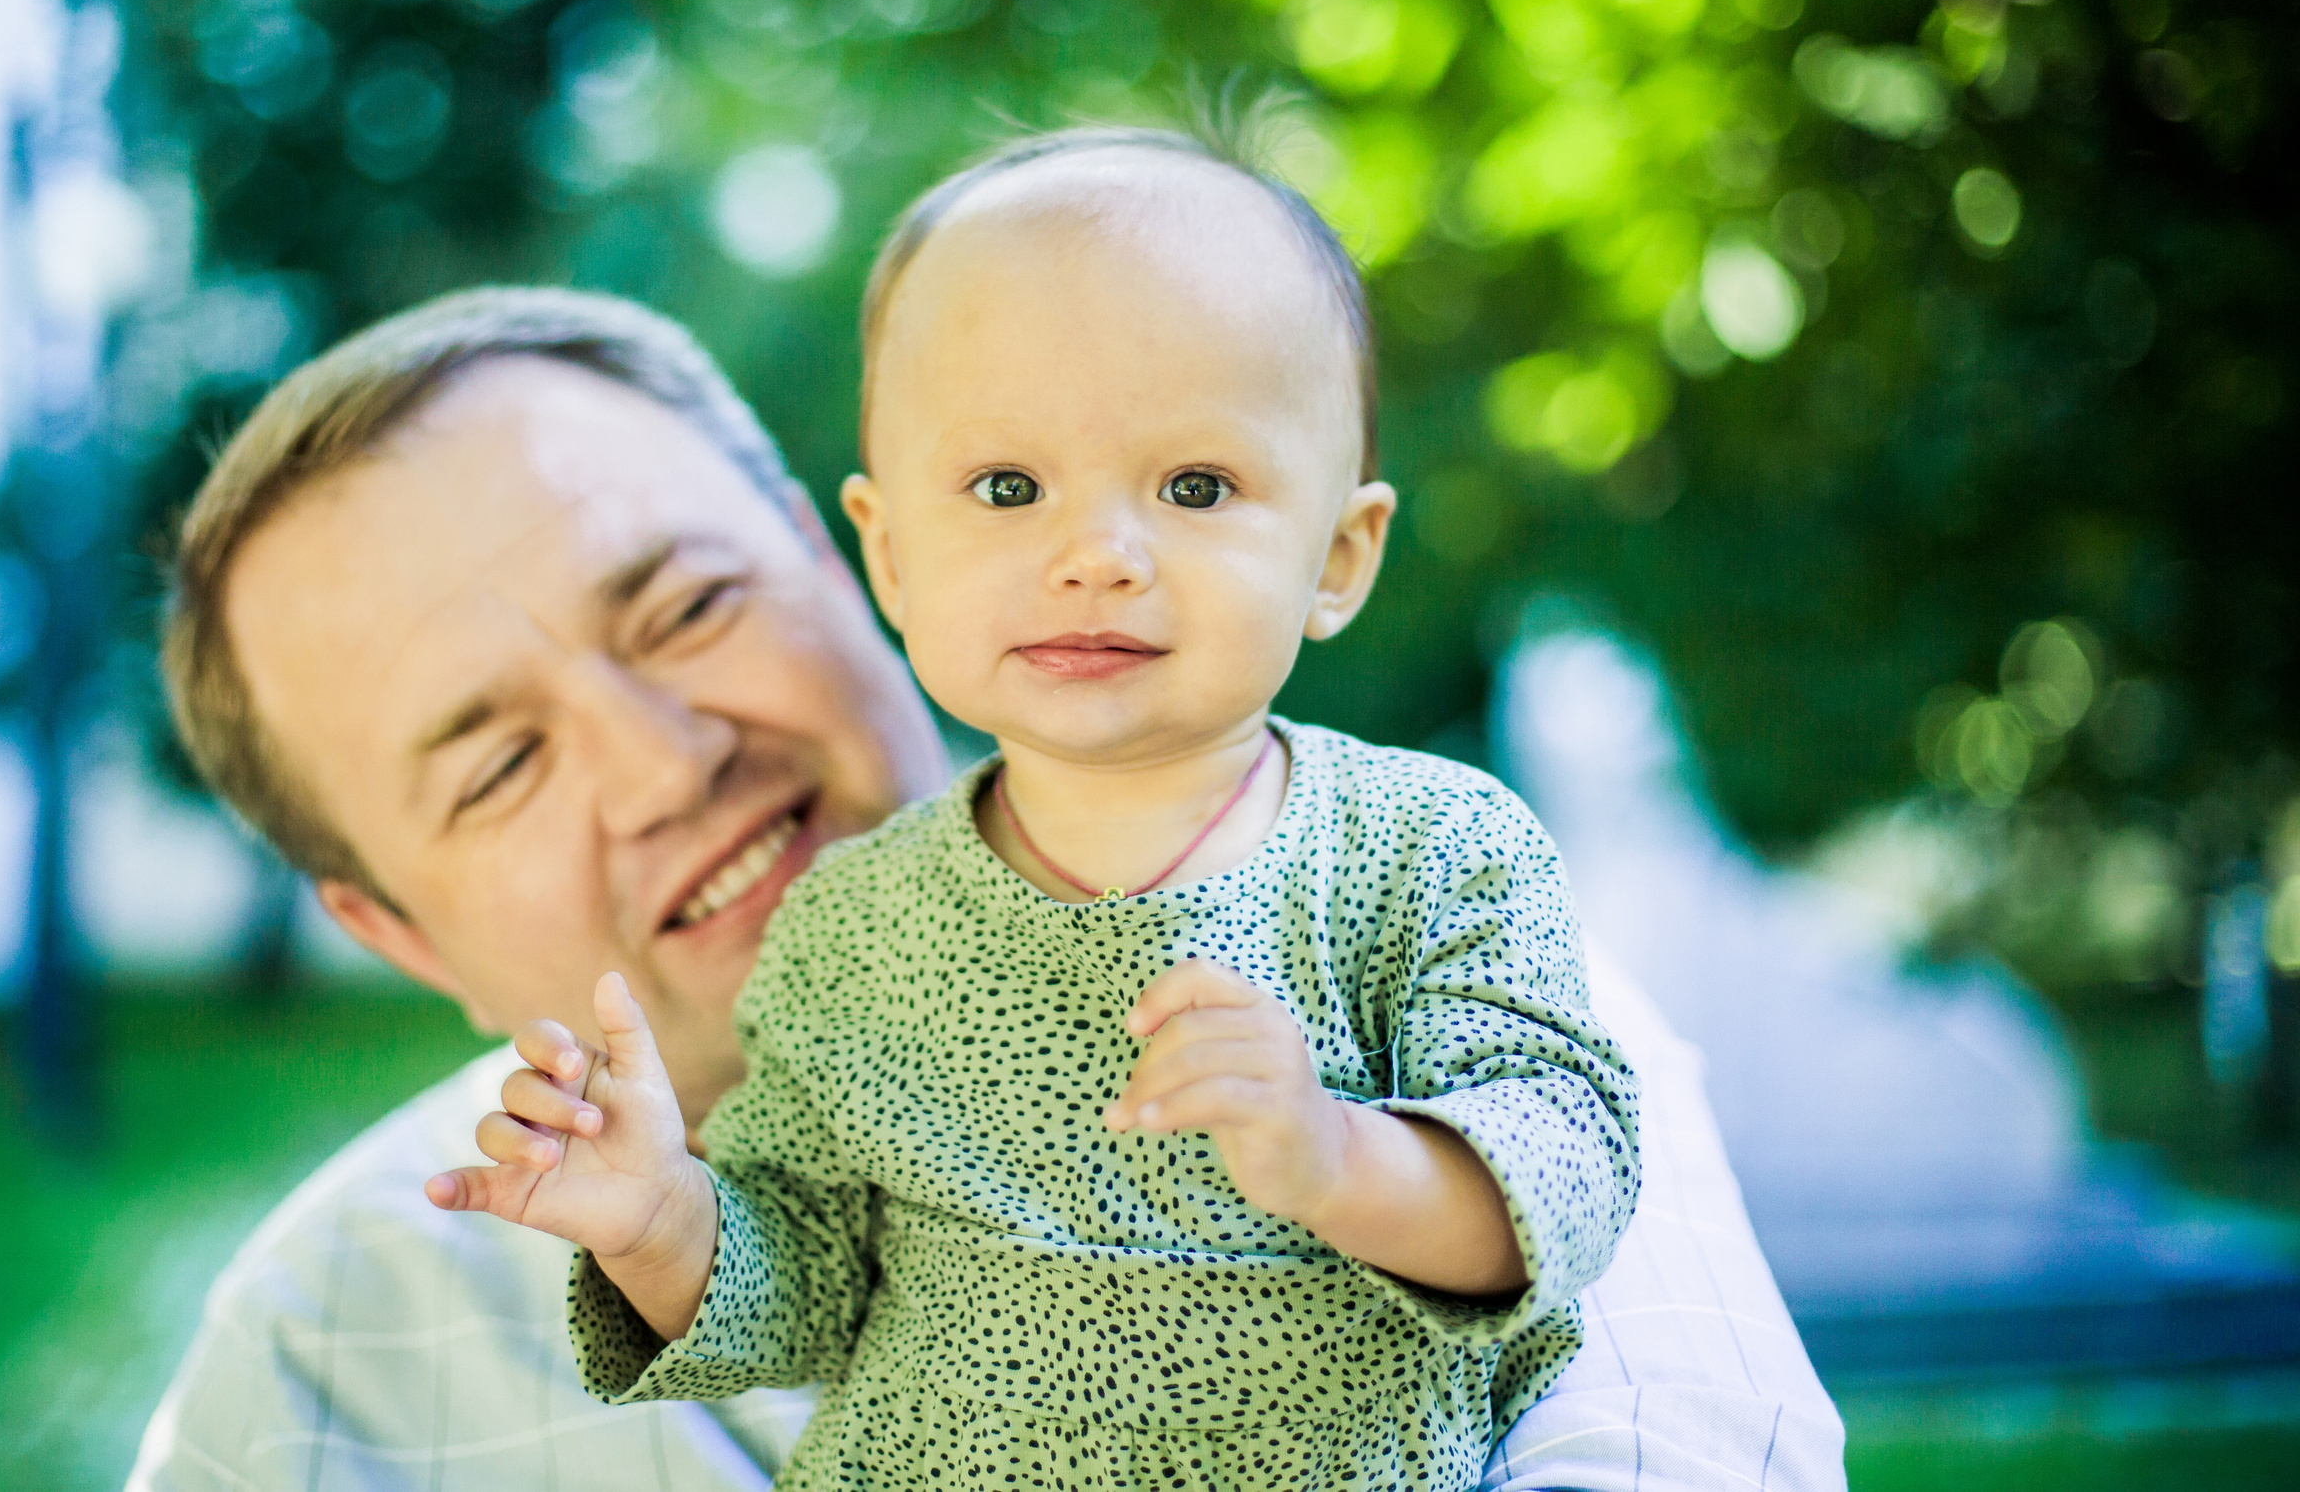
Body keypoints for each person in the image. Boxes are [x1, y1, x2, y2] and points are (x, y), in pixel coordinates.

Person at [129, 285, 1845, 1490]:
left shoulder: (1426, 986)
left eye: (688, 607)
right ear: (394, 933)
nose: (666, 764)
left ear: (839, 558)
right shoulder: (311, 1370)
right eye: (499, 766)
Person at [437, 129, 1638, 1489]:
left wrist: (1335, 1156)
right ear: (888, 553)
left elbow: (1568, 1172)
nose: (1097, 559)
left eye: (1197, 487)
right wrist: (661, 1220)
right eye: (1007, 489)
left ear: (1338, 555)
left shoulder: (1432, 850)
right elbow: (811, 1282)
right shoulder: (856, 923)